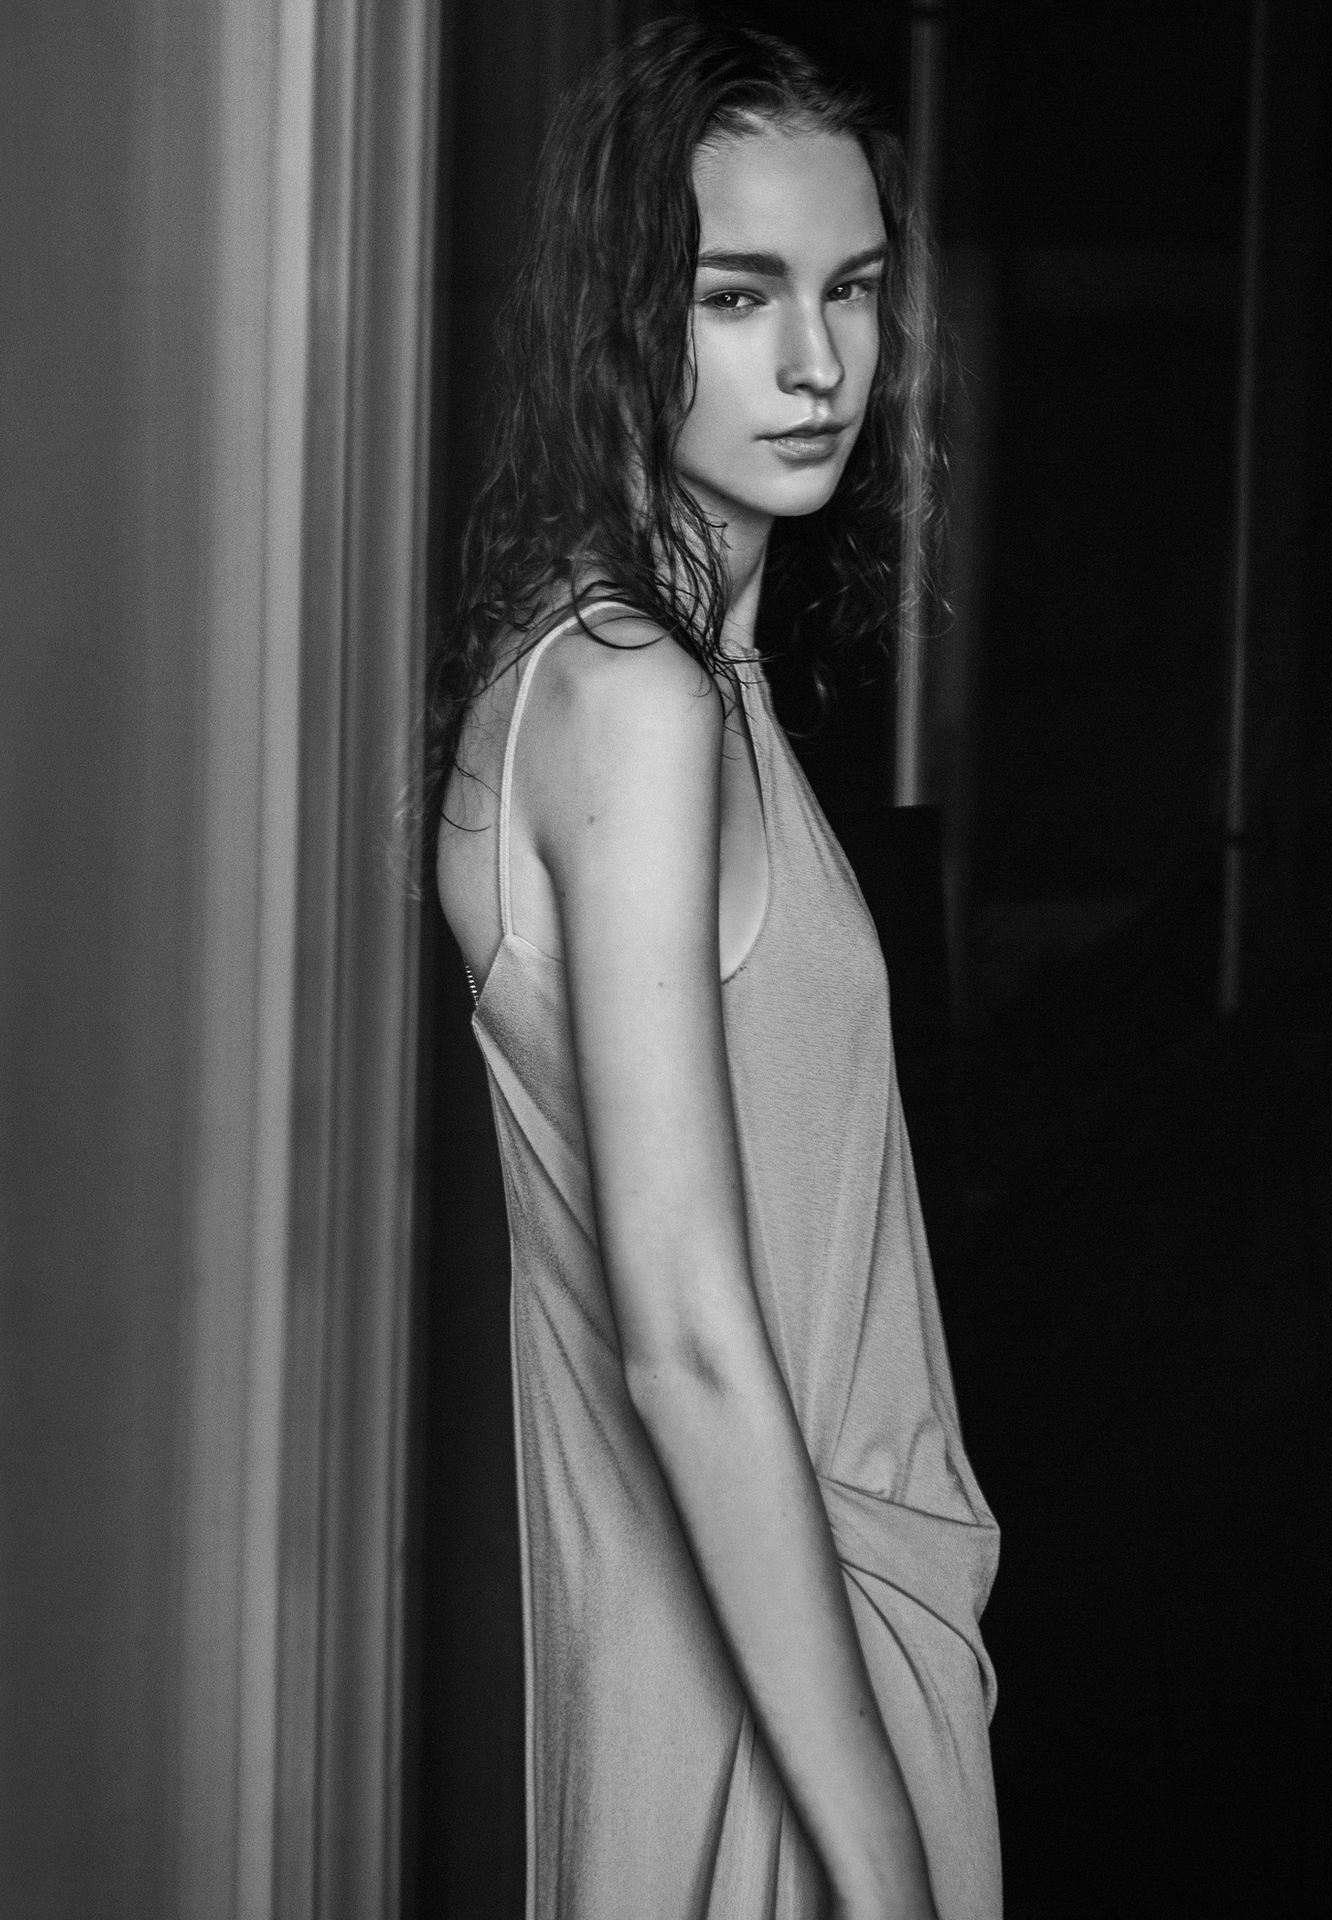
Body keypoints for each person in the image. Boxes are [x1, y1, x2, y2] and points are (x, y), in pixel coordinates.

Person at [428, 19, 1001, 1918]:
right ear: (621, 315)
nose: (819, 362)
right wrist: (881, 1860)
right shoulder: (634, 699)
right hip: (774, 1681)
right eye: (737, 296)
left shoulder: (647, 678)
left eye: (853, 288)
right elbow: (676, 1333)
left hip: (795, 1634)